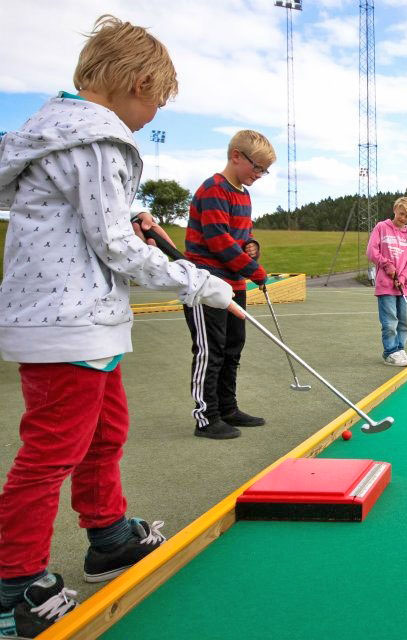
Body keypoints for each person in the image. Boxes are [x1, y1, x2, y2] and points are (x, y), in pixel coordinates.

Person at [0, 15, 236, 638]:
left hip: (87, 320)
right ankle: (11, 585)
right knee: (51, 452)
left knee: (106, 433)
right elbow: (113, 243)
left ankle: (107, 535)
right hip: (65, 322)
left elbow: (101, 218)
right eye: (157, 101)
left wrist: (138, 215)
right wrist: (200, 283)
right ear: (136, 83)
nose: (154, 114)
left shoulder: (63, 134)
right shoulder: (96, 140)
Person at [183, 130, 274, 439]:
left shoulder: (244, 195)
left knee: (234, 346)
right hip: (206, 283)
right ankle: (206, 417)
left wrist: (252, 247)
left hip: (233, 284)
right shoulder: (213, 190)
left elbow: (240, 237)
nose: (260, 175)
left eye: (264, 170)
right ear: (236, 156)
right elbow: (219, 241)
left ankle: (227, 408)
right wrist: (255, 270)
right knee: (211, 350)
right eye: (257, 167)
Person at [366, 197, 407, 366]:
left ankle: (400, 349)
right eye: (401, 213)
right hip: (385, 285)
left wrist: (403, 277)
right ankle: (390, 352)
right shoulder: (381, 228)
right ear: (395, 209)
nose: (403, 218)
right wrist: (386, 264)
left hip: (403, 286)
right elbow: (371, 251)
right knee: (390, 322)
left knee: (403, 321)